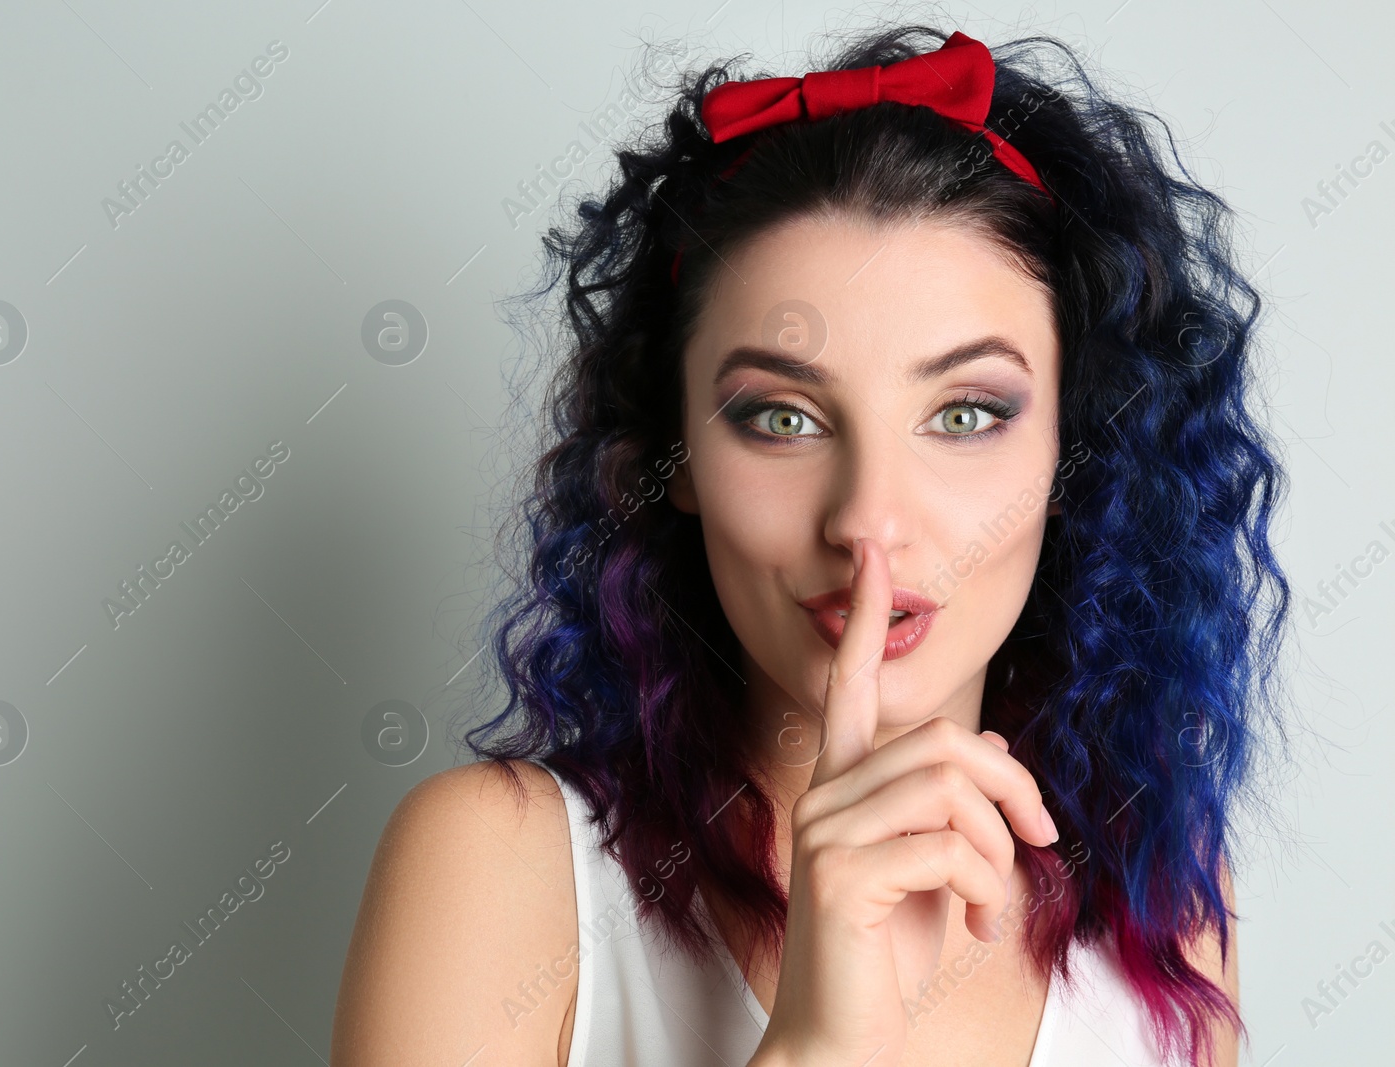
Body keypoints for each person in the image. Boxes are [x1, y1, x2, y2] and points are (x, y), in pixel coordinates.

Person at [331, 25, 1289, 1067]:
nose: (867, 517)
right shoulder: (502, 863)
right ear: (673, 457)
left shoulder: (1164, 906)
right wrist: (815, 1042)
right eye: (782, 418)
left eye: (965, 413)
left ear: (1073, 454)